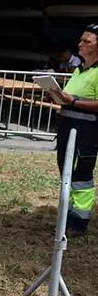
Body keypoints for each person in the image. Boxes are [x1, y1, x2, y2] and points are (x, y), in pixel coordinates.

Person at [46, 23, 98, 235]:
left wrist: (73, 101)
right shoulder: (79, 69)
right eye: (81, 39)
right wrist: (59, 95)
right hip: (68, 127)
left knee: (81, 176)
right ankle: (65, 218)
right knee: (66, 172)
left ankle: (78, 222)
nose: (80, 44)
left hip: (86, 130)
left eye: (87, 41)